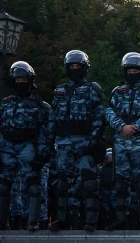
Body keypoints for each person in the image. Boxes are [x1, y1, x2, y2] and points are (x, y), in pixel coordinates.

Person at [104, 52, 140, 231]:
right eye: (129, 70)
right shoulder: (117, 91)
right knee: (120, 182)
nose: (132, 72)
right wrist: (121, 126)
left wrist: (135, 127)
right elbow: (109, 112)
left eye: (136, 69)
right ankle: (120, 218)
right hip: (121, 142)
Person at [49, 50, 106, 232]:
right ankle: (63, 218)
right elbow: (53, 118)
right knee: (63, 182)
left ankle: (91, 221)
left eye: (78, 66)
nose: (75, 69)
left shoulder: (92, 89)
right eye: (71, 66)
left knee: (89, 181)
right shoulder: (59, 90)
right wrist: (49, 142)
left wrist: (95, 139)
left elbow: (99, 115)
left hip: (84, 141)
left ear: (85, 68)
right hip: (64, 142)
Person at [0, 62, 52, 232]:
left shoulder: (40, 106)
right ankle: (3, 222)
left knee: (34, 185)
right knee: (3, 186)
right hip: (7, 146)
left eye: (23, 79)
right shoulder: (5, 103)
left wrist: (42, 154)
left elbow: (46, 132)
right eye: (17, 79)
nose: (20, 83)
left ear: (30, 80)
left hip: (28, 146)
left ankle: (33, 222)